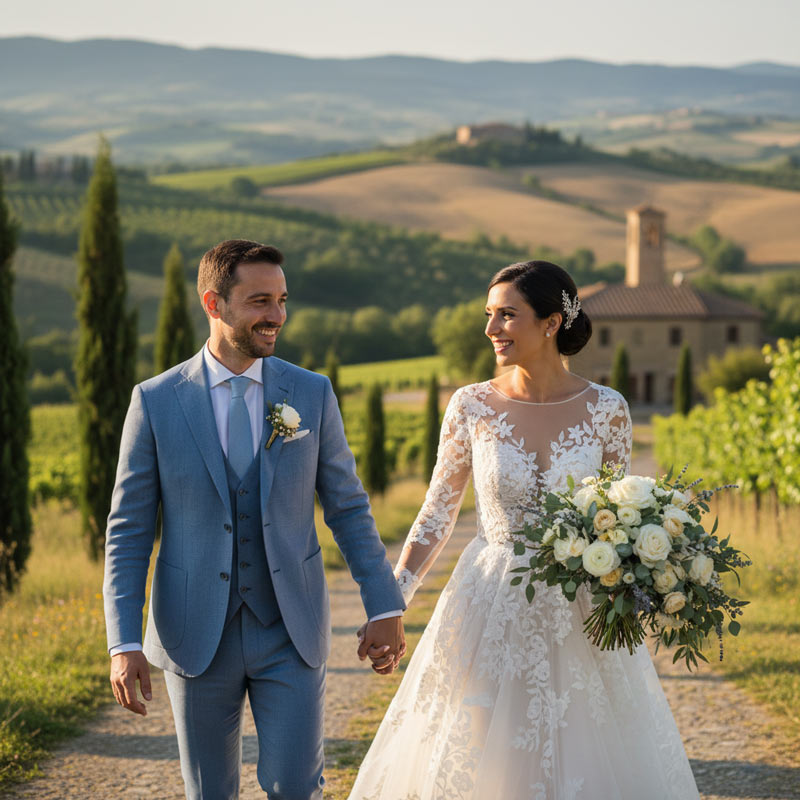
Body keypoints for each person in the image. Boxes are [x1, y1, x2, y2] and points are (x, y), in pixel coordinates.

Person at [350, 261, 700, 799]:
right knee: (483, 748)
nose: (491, 329)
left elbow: (618, 517)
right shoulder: (470, 405)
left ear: (551, 322)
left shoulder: (609, 410)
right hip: (487, 599)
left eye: (507, 315)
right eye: (489, 315)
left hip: (579, 607)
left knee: (583, 745)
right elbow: (437, 513)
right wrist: (391, 601)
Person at [103, 239, 406, 800]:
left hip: (289, 629)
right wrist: (122, 641)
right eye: (260, 301)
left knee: (295, 787)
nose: (277, 316)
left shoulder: (311, 393)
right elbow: (128, 532)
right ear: (214, 304)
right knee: (209, 792)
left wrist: (383, 603)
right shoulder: (156, 400)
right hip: (193, 633)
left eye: (282, 300)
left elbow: (348, 507)